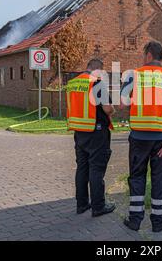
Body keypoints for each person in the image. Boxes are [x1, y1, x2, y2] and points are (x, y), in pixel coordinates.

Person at [120, 41, 162, 233]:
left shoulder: (134, 75)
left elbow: (122, 104)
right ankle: (158, 221)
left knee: (137, 177)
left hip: (139, 137)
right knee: (159, 178)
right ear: (160, 56)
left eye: (143, 55)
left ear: (148, 55)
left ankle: (135, 220)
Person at [66, 58, 116, 217]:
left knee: (82, 168)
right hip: (96, 132)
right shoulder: (96, 83)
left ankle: (81, 204)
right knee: (96, 169)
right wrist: (113, 109)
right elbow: (108, 109)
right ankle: (98, 206)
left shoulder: (73, 83)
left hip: (79, 132)